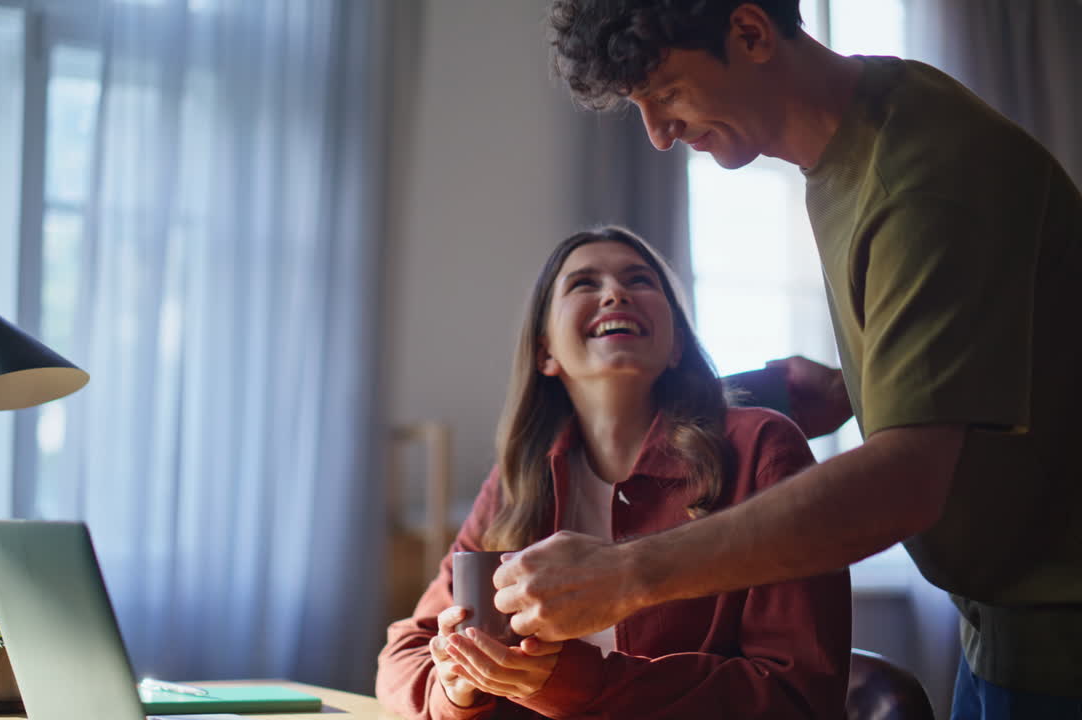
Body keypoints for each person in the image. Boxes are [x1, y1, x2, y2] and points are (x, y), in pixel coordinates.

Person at [492, 2, 1082, 716]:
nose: (657, 134)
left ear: (751, 33)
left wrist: (625, 575)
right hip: (1002, 626)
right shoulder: (852, 147)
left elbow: (904, 484)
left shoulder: (924, 175)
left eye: (668, 93)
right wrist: (857, 388)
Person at [376, 226, 850, 719]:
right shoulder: (518, 479)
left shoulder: (763, 449)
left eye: (640, 280)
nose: (615, 292)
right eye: (583, 283)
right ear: (546, 353)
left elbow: (798, 698)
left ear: (676, 347)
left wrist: (581, 685)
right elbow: (404, 653)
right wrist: (454, 690)